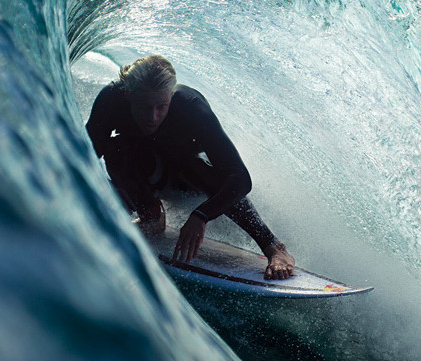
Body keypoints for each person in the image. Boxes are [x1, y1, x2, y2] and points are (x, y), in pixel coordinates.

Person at [85, 55, 295, 280]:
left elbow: (241, 178)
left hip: (183, 175)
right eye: (145, 106)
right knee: (115, 149)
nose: (152, 116)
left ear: (171, 97)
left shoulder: (191, 107)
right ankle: (151, 216)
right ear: (128, 95)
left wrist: (200, 216)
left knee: (201, 169)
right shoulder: (111, 100)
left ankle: (273, 246)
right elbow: (84, 159)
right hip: (142, 169)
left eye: (161, 106)